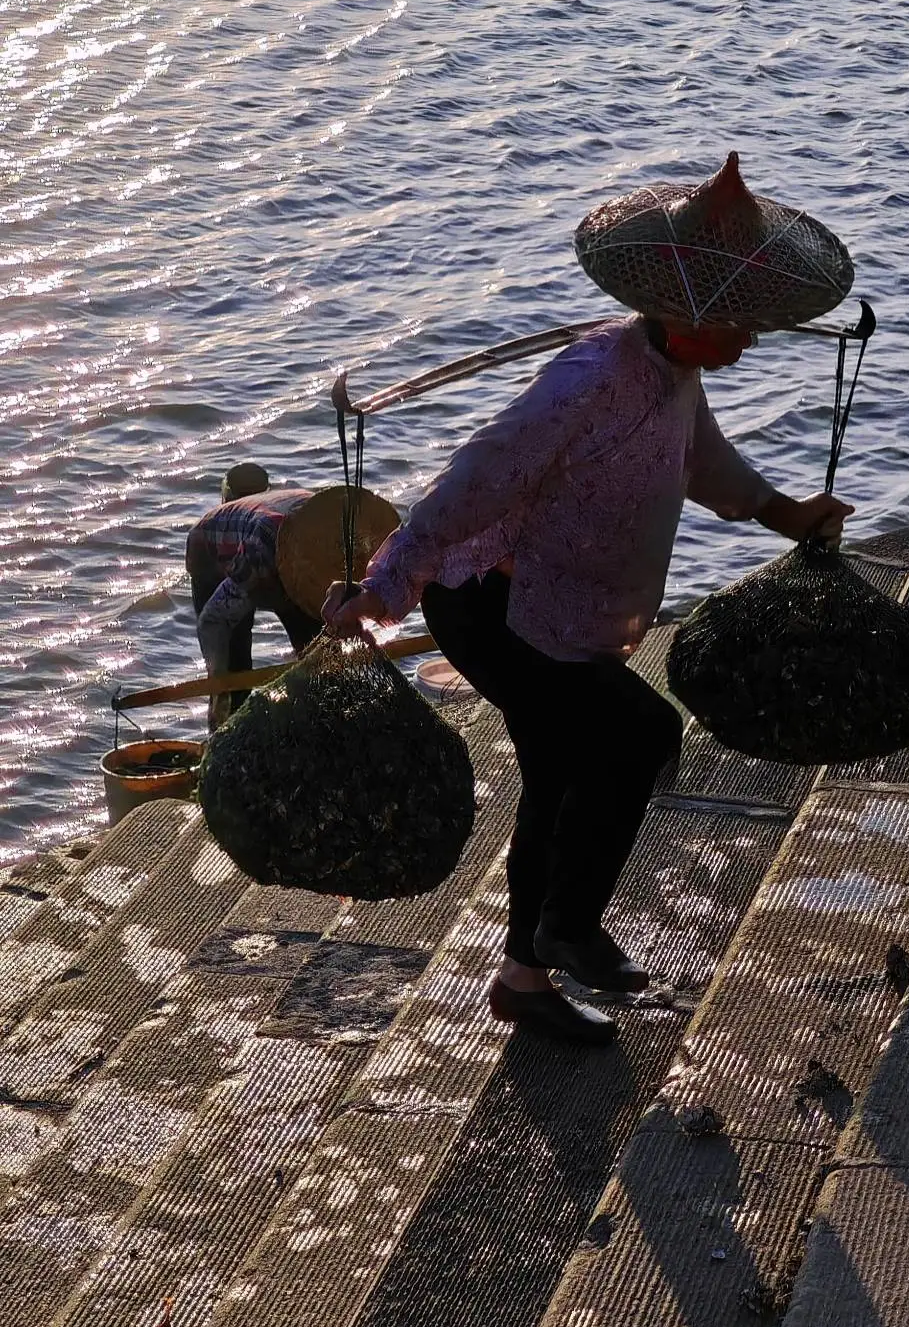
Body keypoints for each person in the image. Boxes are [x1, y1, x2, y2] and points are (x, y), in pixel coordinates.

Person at [323, 314, 853, 1047]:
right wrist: (383, 587)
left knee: (558, 773)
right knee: (640, 731)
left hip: (566, 612)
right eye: (737, 324)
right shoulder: (590, 377)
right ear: (686, 312)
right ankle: (567, 927)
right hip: (493, 605)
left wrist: (784, 514)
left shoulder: (673, 372)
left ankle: (522, 981)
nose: (749, 339)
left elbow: (701, 458)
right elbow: (476, 478)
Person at [186, 465, 323, 730]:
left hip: (287, 546)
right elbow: (212, 622)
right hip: (215, 558)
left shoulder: (328, 526)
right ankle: (226, 734)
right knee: (233, 664)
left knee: (316, 651)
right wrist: (219, 684)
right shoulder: (261, 549)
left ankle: (316, 722)